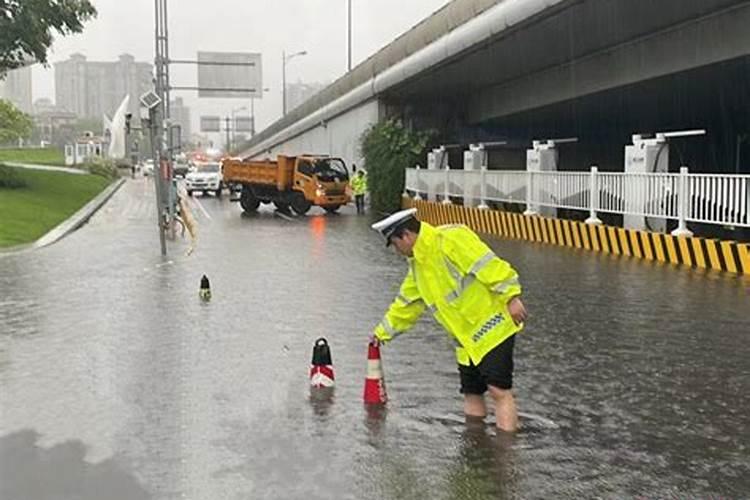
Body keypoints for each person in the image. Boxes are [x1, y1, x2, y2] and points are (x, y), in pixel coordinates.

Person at [370, 208, 528, 432]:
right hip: (467, 341)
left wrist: (512, 297)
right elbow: (405, 305)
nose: (396, 251)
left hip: (493, 328)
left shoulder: (451, 238)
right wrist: (380, 334)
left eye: (395, 244)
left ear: (405, 235)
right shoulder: (418, 266)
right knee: (471, 393)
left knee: (498, 390)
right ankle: (476, 445)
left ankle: (505, 455)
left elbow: (489, 265)